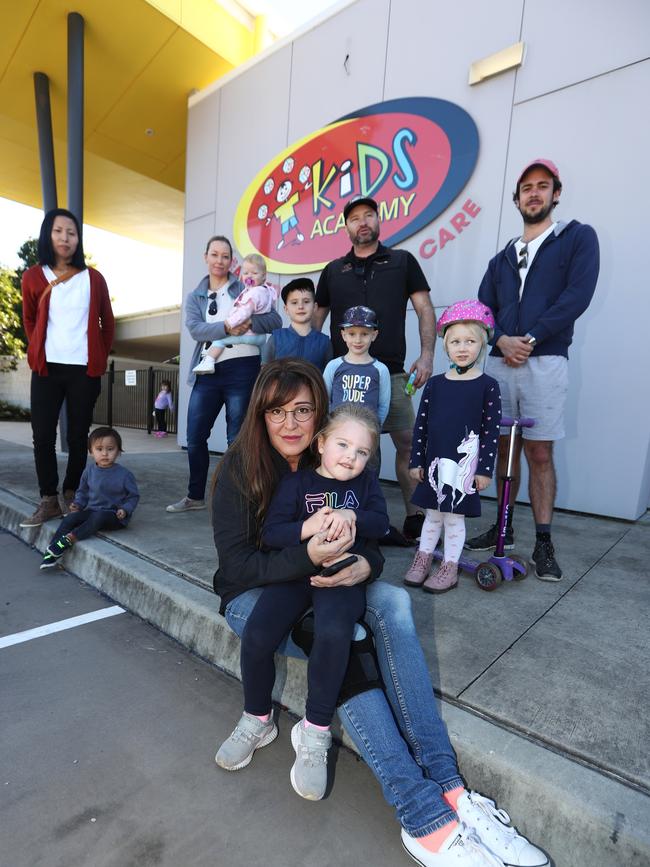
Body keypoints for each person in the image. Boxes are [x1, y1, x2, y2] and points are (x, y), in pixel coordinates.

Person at [211, 359, 548, 867]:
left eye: (304, 410)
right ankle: (419, 812)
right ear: (259, 414)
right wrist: (312, 555)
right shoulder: (244, 468)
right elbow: (239, 563)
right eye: (277, 411)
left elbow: (374, 535)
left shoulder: (344, 466)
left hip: (323, 581)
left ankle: (451, 790)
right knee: (341, 640)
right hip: (253, 594)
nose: (291, 423)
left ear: (321, 421)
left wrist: (363, 566)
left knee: (392, 601)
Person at [216, 404, 389, 801]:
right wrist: (308, 527)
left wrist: (353, 515)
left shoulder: (366, 486)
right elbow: (274, 532)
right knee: (258, 634)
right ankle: (257, 718)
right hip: (295, 576)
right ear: (322, 442)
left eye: (362, 452)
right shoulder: (298, 484)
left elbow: (383, 525)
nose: (351, 456)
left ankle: (315, 731)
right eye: (344, 444)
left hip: (340, 580)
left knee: (334, 633)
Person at [466, 160, 599, 582]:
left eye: (543, 186)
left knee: (539, 452)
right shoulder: (501, 258)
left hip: (544, 361)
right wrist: (500, 339)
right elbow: (483, 310)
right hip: (501, 362)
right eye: (526, 188)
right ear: (517, 198)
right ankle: (502, 525)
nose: (534, 193)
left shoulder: (576, 237)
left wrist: (533, 338)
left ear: (556, 194)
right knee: (503, 451)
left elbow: (577, 295)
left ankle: (543, 540)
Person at [314, 196, 436, 545]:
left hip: (393, 373)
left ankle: (414, 516)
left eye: (369, 215)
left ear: (379, 220)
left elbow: (425, 308)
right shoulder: (334, 269)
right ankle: (363, 520)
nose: (362, 222)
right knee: (360, 450)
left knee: (409, 443)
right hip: (345, 378)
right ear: (346, 226)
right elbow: (317, 319)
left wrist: (427, 355)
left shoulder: (402, 262)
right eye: (354, 218)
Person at [166, 235, 281, 513]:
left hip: (243, 367)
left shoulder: (248, 286)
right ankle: (195, 496)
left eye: (225, 256)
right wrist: (228, 329)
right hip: (208, 369)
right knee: (195, 436)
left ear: (233, 262)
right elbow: (196, 329)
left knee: (237, 438)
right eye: (214, 254)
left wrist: (249, 321)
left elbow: (275, 320)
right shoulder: (195, 296)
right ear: (206, 257)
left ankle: (237, 499)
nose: (219, 260)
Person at [20, 208, 114, 528]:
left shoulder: (94, 278)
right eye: (59, 231)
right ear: (49, 234)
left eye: (71, 233)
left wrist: (99, 358)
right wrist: (37, 350)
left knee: (77, 436)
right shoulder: (33, 276)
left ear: (78, 239)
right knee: (42, 436)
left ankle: (72, 494)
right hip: (47, 369)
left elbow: (107, 322)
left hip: (83, 370)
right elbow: (29, 319)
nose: (65, 238)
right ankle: (49, 499)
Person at [404, 301, 501, 593]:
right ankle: (423, 558)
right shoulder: (434, 385)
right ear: (445, 346)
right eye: (455, 341)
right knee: (432, 514)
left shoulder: (488, 386)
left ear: (481, 345)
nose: (462, 347)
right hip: (436, 461)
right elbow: (420, 425)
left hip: (464, 468)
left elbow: (491, 431)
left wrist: (484, 470)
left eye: (470, 341)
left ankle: (450, 566)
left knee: (454, 518)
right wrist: (416, 461)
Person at [39, 426, 139, 569]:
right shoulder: (89, 471)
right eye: (99, 449)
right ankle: (52, 550)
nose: (105, 453)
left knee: (98, 516)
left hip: (114, 516)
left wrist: (125, 509)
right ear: (91, 452)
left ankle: (68, 539)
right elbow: (83, 491)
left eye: (110, 449)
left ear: (118, 451)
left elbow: (133, 496)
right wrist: (78, 504)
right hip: (92, 511)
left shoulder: (124, 475)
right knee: (70, 518)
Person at [192, 253, 276, 375]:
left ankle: (209, 361)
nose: (249, 276)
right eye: (246, 273)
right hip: (260, 337)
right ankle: (264, 367)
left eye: (254, 273)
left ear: (263, 276)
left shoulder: (254, 293)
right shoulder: (266, 291)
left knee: (219, 340)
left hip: (248, 335)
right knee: (263, 350)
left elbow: (244, 312)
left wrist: (229, 323)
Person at [322, 305, 391, 427]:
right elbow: (324, 399)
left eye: (364, 334)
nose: (358, 340)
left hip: (367, 434)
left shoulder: (381, 370)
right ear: (344, 335)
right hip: (338, 431)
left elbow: (383, 405)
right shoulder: (333, 366)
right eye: (352, 334)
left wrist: (374, 430)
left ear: (374, 335)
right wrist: (330, 426)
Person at [261, 277, 331, 370]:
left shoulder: (324, 342)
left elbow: (329, 378)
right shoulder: (276, 339)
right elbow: (265, 372)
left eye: (306, 302)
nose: (300, 306)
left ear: (314, 307)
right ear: (286, 309)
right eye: (294, 302)